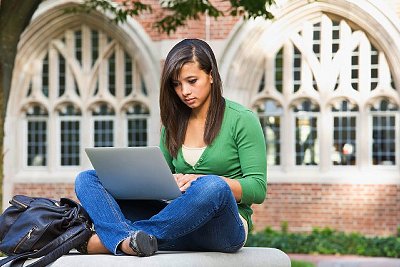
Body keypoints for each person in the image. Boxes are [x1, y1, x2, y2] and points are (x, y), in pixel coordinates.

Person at [74, 38, 267, 256]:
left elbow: (257, 189)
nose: (184, 91)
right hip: (176, 221)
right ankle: (130, 240)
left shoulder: (242, 120)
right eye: (176, 84)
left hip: (222, 228)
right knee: (87, 178)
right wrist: (144, 181)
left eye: (192, 81)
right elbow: (160, 184)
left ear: (211, 75)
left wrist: (199, 181)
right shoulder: (173, 125)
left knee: (213, 187)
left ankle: (115, 240)